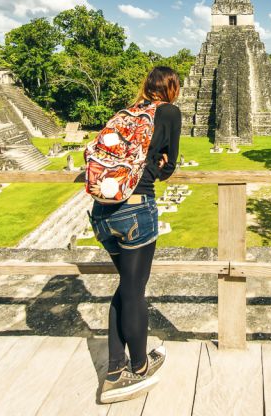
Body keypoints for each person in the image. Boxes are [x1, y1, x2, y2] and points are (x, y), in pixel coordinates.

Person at [89, 66, 181, 403]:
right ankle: (139, 368)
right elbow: (169, 168)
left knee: (125, 288)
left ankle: (115, 368)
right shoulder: (168, 112)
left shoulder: (126, 112)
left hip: (102, 211)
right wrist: (159, 165)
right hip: (136, 208)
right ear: (171, 89)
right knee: (135, 290)